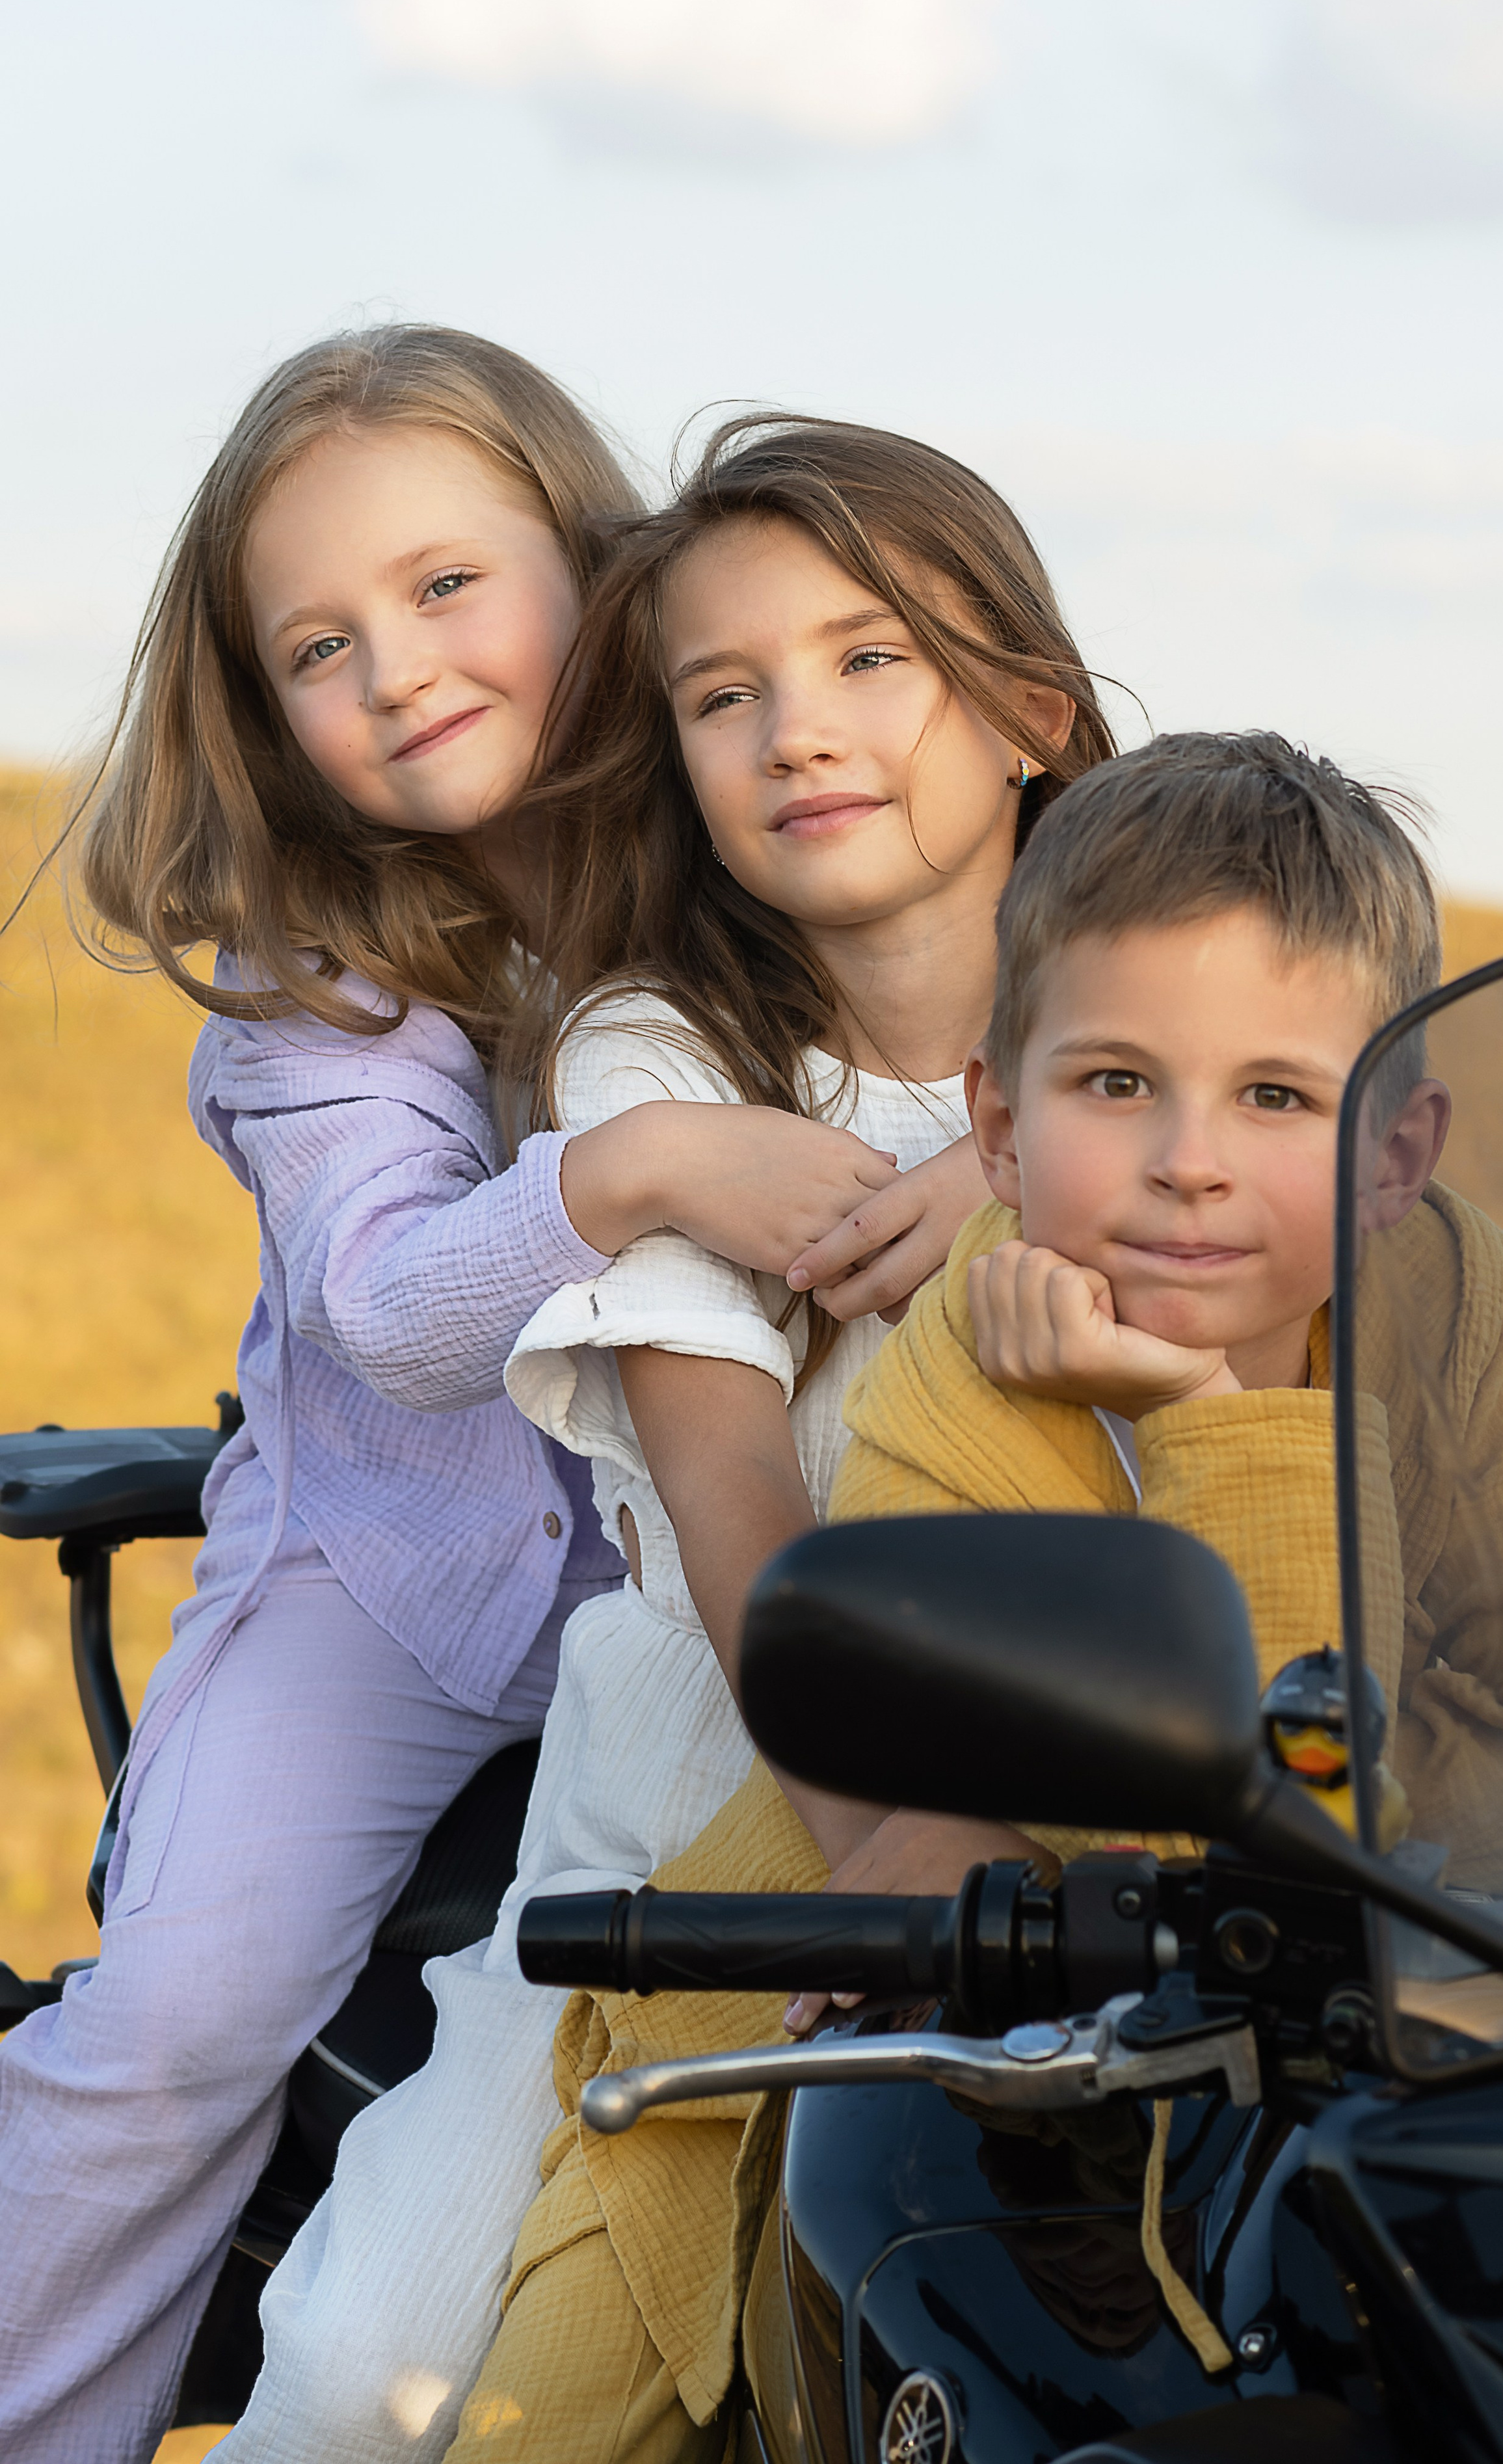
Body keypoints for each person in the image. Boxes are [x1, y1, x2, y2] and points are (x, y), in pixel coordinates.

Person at [450, 731, 1503, 2463]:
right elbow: (1225, 1757)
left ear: (1397, 1157)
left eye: (1276, 1097)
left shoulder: (1461, 1303)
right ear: (1001, 1127)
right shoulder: (976, 1336)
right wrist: (1203, 1420)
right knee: (542, 2413)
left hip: (1386, 2004)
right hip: (885, 1991)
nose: (1190, 1162)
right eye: (1116, 1087)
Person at [0, 330, 959, 2464]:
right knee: (183, 2017)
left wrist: (998, 1158)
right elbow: (392, 1309)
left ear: (591, 572)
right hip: (391, 1569)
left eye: (450, 587)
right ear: (264, 712)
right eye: (318, 642)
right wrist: (627, 1167)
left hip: (685, 1578)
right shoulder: (309, 980)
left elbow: (1023, 1007)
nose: (399, 667)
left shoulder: (752, 840)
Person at [217, 413, 1113, 2461]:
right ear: (675, 764)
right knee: (387, 2377)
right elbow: (741, 1525)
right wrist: (889, 1870)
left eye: (871, 658)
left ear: (1034, 712)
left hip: (1102, 1826)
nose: (801, 728)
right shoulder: (670, 1056)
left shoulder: (1143, 1041)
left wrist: (1025, 1154)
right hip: (695, 1844)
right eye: (726, 695)